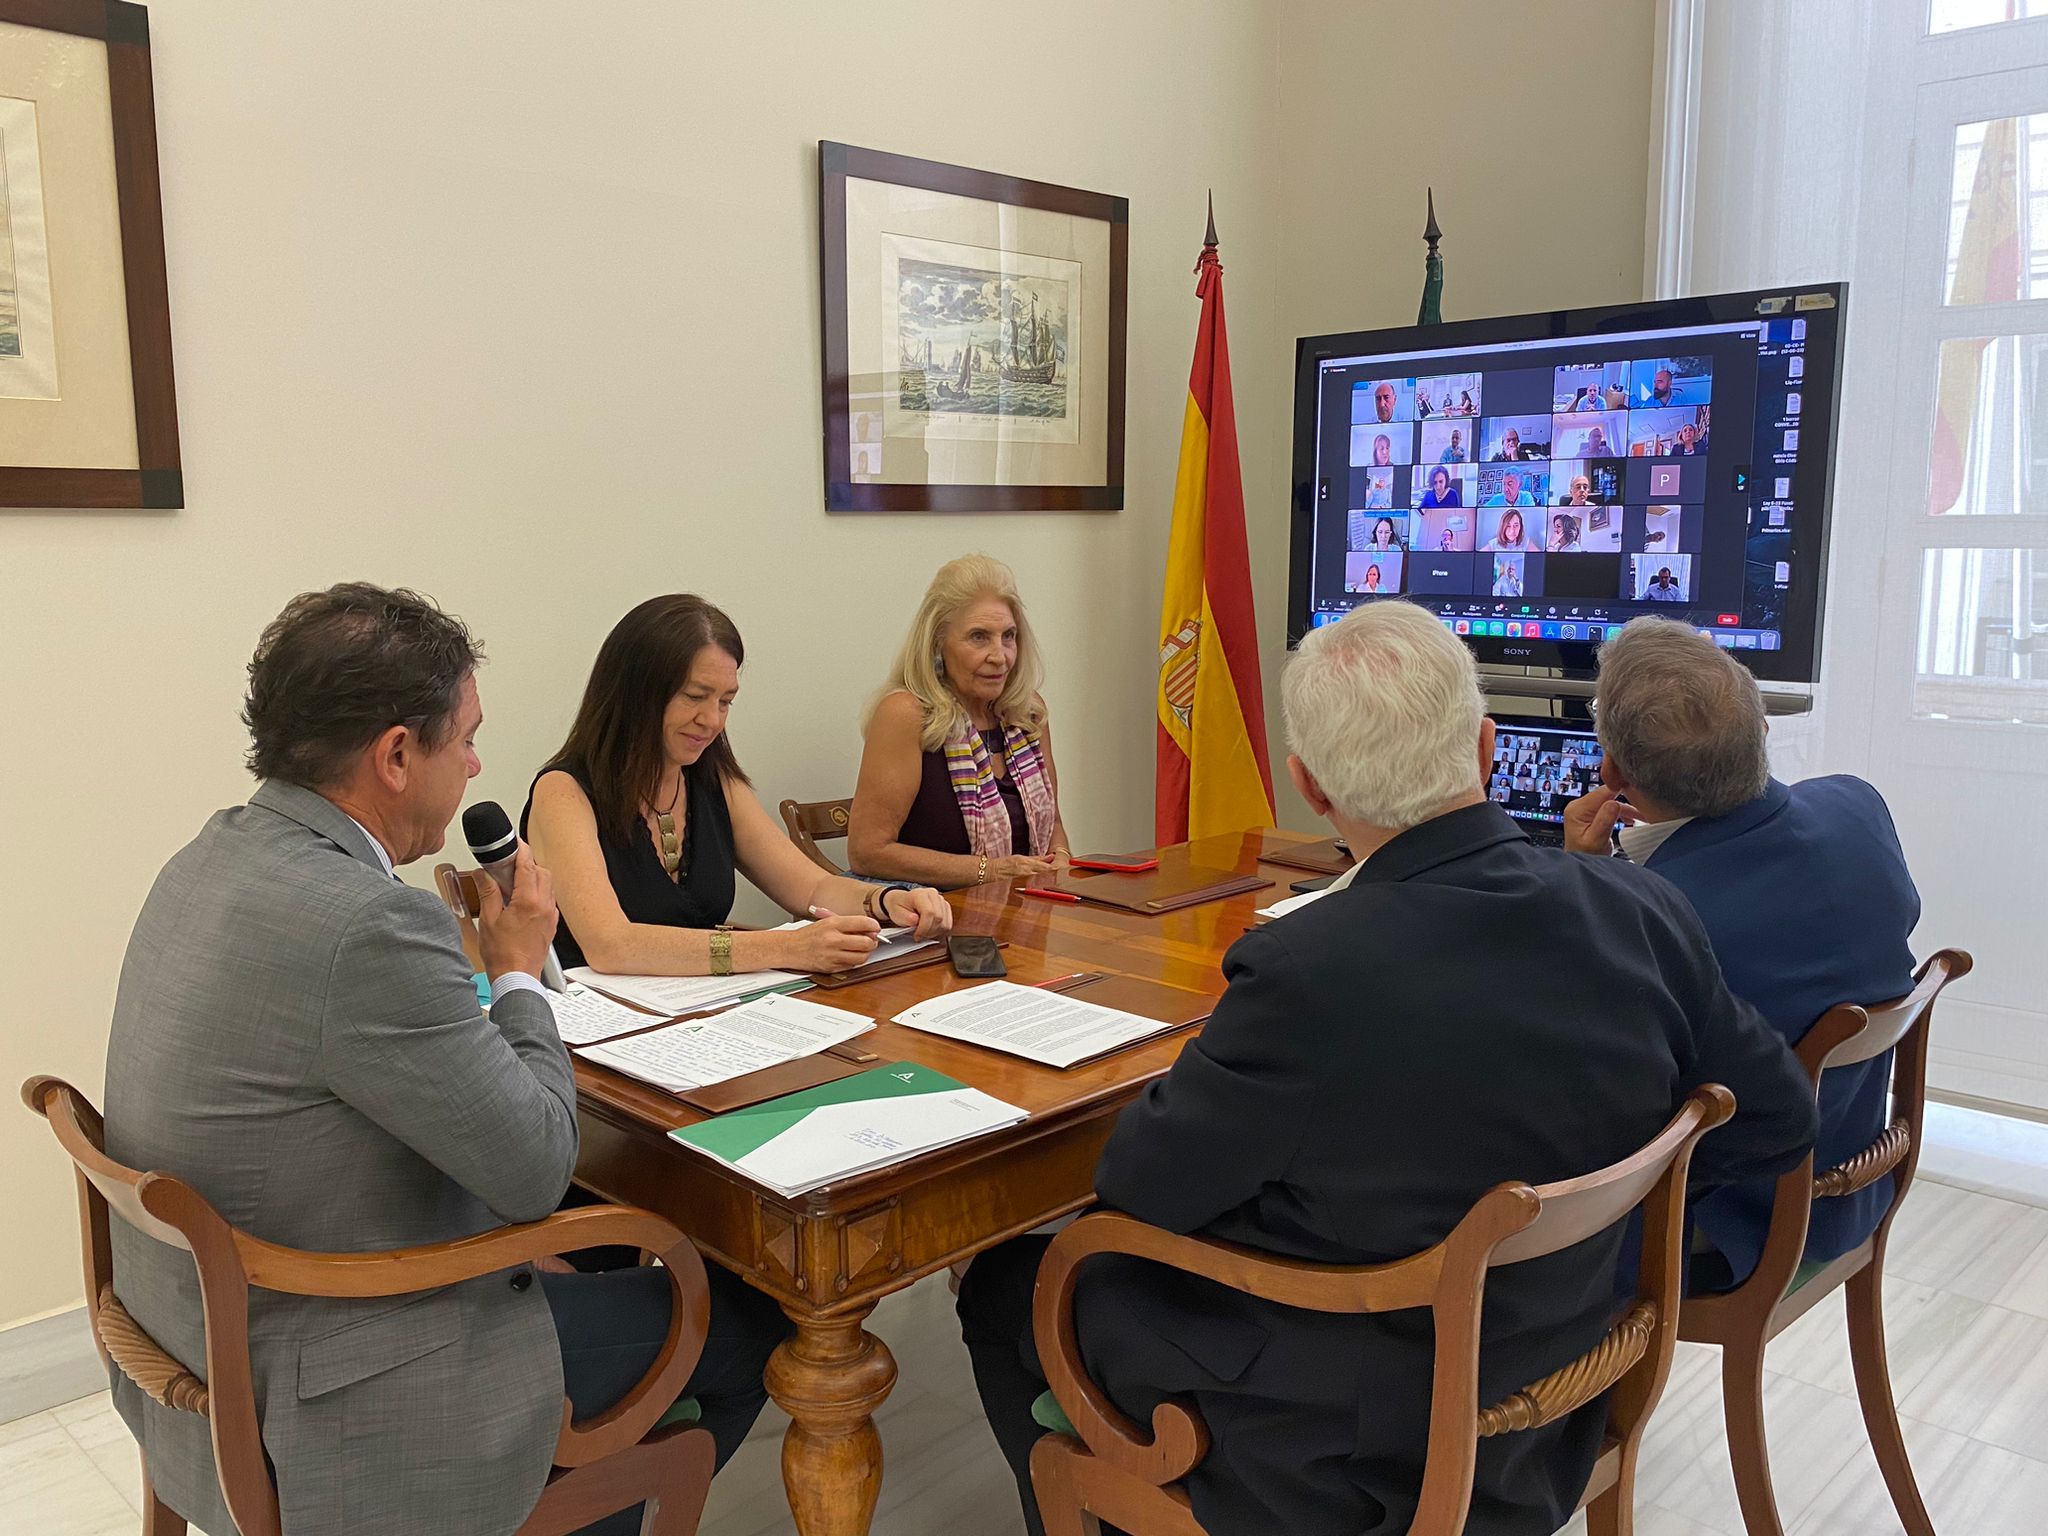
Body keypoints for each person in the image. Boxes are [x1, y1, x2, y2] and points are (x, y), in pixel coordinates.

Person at [954, 601, 1815, 1536]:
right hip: (1564, 1393)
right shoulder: (1643, 907)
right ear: (1486, 747)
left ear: (1309, 788)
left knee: (1013, 1279)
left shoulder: (1306, 966)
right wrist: (1608, 1208)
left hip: (1354, 1455)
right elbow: (1778, 1116)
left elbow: (1139, 1188)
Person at [102, 584, 792, 1536]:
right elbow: (538, 1171)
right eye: (463, 739)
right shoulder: (369, 922)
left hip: (187, 1346)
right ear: (395, 756)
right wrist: (515, 975)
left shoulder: (209, 854)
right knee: (749, 1320)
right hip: (339, 1386)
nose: (475, 764)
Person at [1563, 618, 1920, 1291]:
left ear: (1612, 772)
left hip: (1730, 1227)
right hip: (1851, 1184)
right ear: (1759, 734)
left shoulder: (1655, 914)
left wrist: (1583, 881)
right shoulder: (1858, 805)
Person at [525, 595, 952, 977]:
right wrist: (785, 946)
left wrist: (888, 901)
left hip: (701, 1015)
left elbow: (811, 887)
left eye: (725, 701)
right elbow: (610, 945)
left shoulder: (713, 780)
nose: (712, 720)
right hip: (600, 1030)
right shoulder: (563, 791)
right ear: (635, 694)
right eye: (695, 696)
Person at [848, 554, 1071, 886]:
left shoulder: (1028, 713)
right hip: (930, 919)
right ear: (938, 642)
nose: (1000, 656)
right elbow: (868, 851)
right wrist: (989, 871)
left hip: (1027, 913)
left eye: (1008, 636)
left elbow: (1051, 825)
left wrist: (1063, 863)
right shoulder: (906, 714)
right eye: (979, 637)